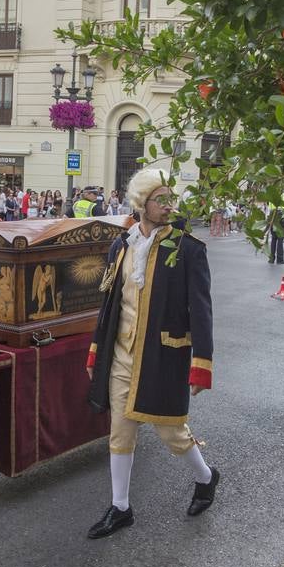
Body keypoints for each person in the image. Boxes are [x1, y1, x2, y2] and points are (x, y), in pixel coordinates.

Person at [84, 167, 217, 539]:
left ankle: (206, 478)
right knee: (119, 432)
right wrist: (96, 351)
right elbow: (109, 306)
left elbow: (201, 310)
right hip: (122, 355)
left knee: (170, 431)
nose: (168, 205)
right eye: (161, 199)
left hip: (164, 355)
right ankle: (121, 507)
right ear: (142, 203)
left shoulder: (188, 249)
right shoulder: (121, 245)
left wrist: (201, 365)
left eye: (170, 199)